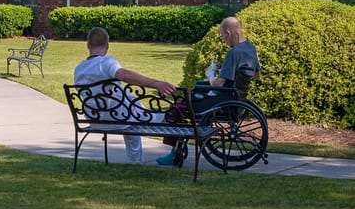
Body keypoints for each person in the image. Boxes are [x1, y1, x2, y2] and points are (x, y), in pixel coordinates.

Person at [159, 16, 262, 165]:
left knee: (180, 107)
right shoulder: (250, 48)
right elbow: (256, 75)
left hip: (223, 99)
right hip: (236, 97)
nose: (224, 41)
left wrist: (212, 76)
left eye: (223, 37)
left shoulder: (234, 53)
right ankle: (175, 150)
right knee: (196, 90)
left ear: (228, 33)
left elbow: (219, 84)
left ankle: (173, 153)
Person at [74, 27, 176, 164]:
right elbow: (124, 75)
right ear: (107, 45)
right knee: (137, 119)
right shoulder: (107, 62)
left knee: (129, 103)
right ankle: (163, 120)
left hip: (94, 119)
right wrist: (157, 84)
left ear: (88, 45)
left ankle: (160, 118)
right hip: (117, 119)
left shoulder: (79, 68)